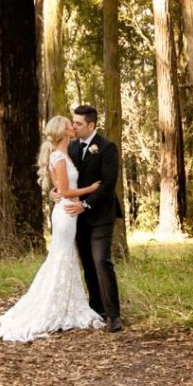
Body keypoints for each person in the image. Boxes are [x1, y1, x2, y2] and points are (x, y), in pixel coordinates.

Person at [0, 116, 105, 342]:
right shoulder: (58, 157)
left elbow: (57, 189)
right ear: (63, 131)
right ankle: (51, 304)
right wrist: (90, 188)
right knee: (60, 256)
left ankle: (66, 303)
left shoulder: (63, 154)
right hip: (67, 212)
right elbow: (66, 191)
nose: (73, 126)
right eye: (70, 124)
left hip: (66, 211)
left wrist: (55, 193)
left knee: (65, 256)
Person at [59, 104, 123, 333]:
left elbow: (107, 184)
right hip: (78, 218)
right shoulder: (72, 147)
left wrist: (85, 205)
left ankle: (114, 315)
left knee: (101, 261)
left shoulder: (107, 148)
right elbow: (65, 178)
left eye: (77, 123)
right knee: (87, 263)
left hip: (101, 214)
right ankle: (96, 309)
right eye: (73, 122)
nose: (73, 126)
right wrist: (56, 192)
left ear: (91, 125)